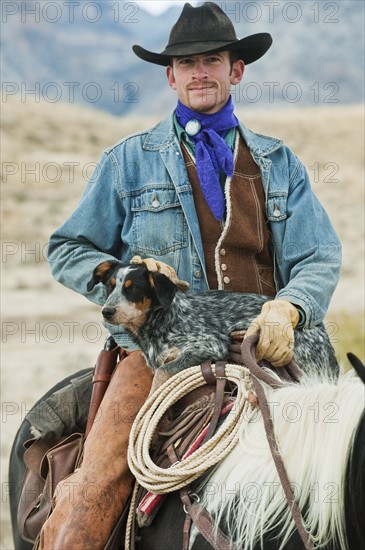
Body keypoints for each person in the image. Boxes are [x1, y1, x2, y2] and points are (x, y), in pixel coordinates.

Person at [41, 2, 341, 547]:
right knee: (99, 486)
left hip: (268, 347)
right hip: (159, 356)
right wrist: (119, 278)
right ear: (170, 76)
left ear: (236, 70)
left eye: (212, 60)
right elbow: (67, 247)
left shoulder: (280, 163)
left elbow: (317, 256)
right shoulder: (127, 161)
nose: (199, 72)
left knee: (344, 468)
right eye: (187, 63)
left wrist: (290, 308)